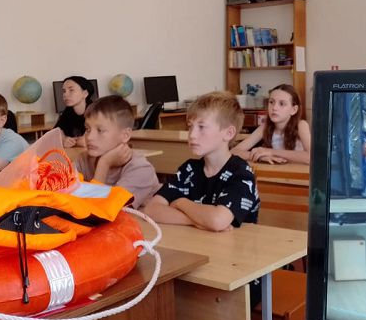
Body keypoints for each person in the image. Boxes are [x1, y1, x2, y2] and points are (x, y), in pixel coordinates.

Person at [143, 91, 259, 231]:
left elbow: (217, 221)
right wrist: (198, 221)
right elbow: (151, 210)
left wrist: (181, 203)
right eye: (190, 126)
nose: (192, 135)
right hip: (199, 241)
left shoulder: (241, 173)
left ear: (228, 133)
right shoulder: (189, 169)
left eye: (201, 127)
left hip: (237, 243)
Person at [74, 96, 159, 209]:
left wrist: (104, 164)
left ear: (125, 135)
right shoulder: (83, 159)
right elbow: (66, 198)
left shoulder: (140, 169)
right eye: (87, 129)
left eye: (100, 130)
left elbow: (103, 211)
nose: (89, 137)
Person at [231, 84, 310, 165]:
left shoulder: (301, 125)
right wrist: (259, 156)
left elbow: (310, 157)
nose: (274, 108)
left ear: (294, 110)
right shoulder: (264, 127)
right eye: (271, 102)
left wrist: (270, 151)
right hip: (276, 171)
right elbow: (234, 151)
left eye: (282, 104)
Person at [54, 76, 94, 148]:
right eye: (64, 91)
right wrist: (63, 139)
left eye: (71, 90)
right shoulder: (68, 111)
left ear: (85, 93)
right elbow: (55, 131)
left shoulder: (96, 111)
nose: (65, 94)